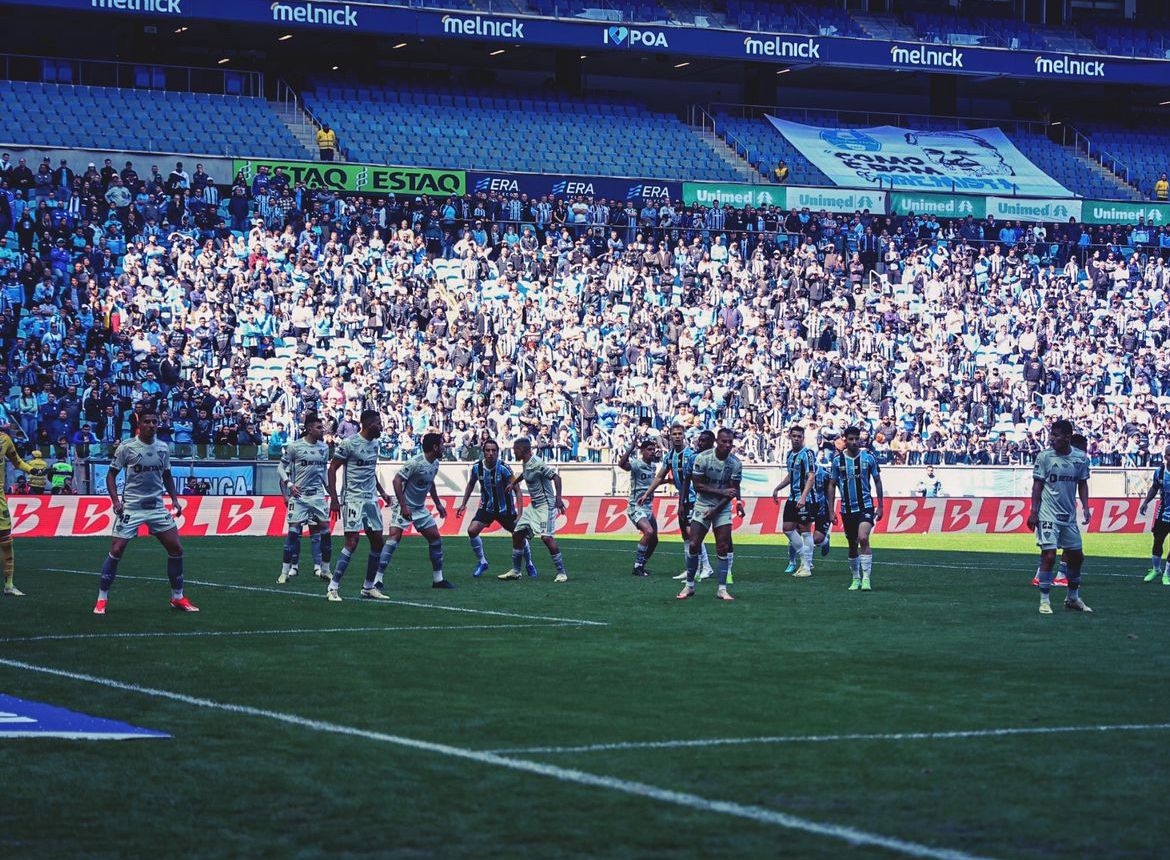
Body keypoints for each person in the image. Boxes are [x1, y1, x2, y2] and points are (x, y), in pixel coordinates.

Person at [93, 407, 197, 614]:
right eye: (147, 421)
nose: (151, 425)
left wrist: (175, 500)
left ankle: (177, 597)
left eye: (154, 422)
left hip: (157, 507)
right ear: (139, 424)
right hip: (132, 507)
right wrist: (115, 501)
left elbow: (167, 475)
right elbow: (111, 475)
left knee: (176, 549)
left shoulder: (163, 448)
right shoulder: (127, 447)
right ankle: (101, 599)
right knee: (116, 551)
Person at [326, 409, 394, 602]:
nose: (381, 426)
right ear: (368, 424)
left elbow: (370, 469)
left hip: (371, 498)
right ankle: (333, 587)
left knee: (378, 542)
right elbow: (332, 469)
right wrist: (334, 498)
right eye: (378, 423)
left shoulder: (375, 444)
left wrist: (381, 492)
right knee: (352, 542)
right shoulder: (349, 443)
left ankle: (368, 587)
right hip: (353, 498)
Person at [1026, 419, 1092, 615]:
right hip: (1047, 514)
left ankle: (1072, 598)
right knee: (1050, 555)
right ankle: (1044, 601)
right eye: (1051, 434)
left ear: (1067, 437)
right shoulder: (1045, 457)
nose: (1052, 438)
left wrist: (1086, 507)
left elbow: (1083, 483)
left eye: (1056, 435)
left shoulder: (1081, 458)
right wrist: (1034, 511)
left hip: (1068, 516)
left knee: (1077, 557)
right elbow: (1037, 485)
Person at [377, 431, 454, 591]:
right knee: (393, 538)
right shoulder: (415, 462)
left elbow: (430, 483)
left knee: (435, 539)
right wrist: (404, 506)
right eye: (441, 445)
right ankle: (377, 579)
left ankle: (438, 580)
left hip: (419, 508)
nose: (443, 448)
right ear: (434, 447)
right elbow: (396, 480)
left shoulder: (435, 463)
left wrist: (438, 504)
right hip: (403, 506)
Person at [454, 438, 537, 579]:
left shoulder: (504, 468)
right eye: (487, 450)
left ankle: (529, 563)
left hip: (506, 510)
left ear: (498, 452)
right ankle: (482, 562)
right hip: (487, 508)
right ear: (483, 452)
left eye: (494, 450)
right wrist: (463, 504)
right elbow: (470, 484)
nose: (491, 453)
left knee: (519, 536)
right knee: (472, 530)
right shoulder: (477, 467)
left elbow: (517, 490)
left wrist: (519, 514)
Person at [677, 427, 743, 601]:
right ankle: (689, 585)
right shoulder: (702, 458)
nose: (728, 445)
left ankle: (722, 589)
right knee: (693, 544)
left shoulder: (735, 463)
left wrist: (716, 509)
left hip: (722, 508)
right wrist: (721, 492)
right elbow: (698, 486)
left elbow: (732, 492)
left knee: (722, 546)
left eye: (730, 442)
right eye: (724, 441)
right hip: (702, 503)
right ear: (717, 442)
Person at [644, 424, 713, 582]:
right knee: (685, 535)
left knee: (692, 533)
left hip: (693, 499)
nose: (677, 436)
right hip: (682, 499)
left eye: (679, 433)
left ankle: (706, 567)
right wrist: (648, 492)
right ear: (670, 436)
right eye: (674, 434)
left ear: (684, 435)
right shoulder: (669, 456)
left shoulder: (691, 455)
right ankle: (691, 568)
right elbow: (660, 476)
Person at [500, 437, 568, 583]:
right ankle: (516, 571)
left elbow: (556, 478)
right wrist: (513, 484)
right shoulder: (526, 463)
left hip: (546, 506)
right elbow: (525, 474)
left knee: (547, 538)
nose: (513, 452)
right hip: (534, 506)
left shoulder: (537, 463)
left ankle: (562, 573)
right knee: (517, 534)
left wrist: (558, 499)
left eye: (515, 449)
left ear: (522, 450)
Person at [277, 413, 333, 585]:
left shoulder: (324, 448)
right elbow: (280, 467)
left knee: (326, 533)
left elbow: (323, 472)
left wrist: (330, 492)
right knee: (293, 534)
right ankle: (285, 572)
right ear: (309, 429)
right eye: (318, 427)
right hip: (299, 496)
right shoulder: (295, 447)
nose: (322, 430)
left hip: (317, 495)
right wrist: (289, 484)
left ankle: (325, 569)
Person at [827, 426, 884, 592]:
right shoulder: (838, 461)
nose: (853, 442)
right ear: (845, 439)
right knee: (852, 545)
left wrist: (880, 506)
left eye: (856, 439)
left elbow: (877, 481)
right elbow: (832, 485)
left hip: (865, 506)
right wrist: (831, 510)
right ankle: (855, 578)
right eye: (850, 439)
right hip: (846, 509)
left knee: (863, 537)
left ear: (860, 439)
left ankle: (866, 578)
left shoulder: (868, 458)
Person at [771, 425, 820, 578]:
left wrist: (804, 496)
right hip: (792, 497)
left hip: (805, 497)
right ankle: (806, 561)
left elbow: (811, 476)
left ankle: (806, 566)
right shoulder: (789, 455)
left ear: (803, 438)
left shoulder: (808, 454)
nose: (797, 438)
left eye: (800, 436)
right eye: (794, 436)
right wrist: (777, 488)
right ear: (790, 437)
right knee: (787, 528)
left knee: (805, 530)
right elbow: (791, 476)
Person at [620, 436, 661, 577]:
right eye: (649, 449)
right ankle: (637, 566)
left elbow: (654, 483)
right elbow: (621, 464)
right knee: (648, 532)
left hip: (648, 507)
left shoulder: (653, 467)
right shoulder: (637, 464)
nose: (652, 452)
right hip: (635, 507)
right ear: (642, 451)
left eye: (653, 449)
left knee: (654, 540)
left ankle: (641, 565)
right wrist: (631, 448)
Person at [0, 429, 32, 596]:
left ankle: (9, 585)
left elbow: (17, 461)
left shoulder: (5, 440)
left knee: (6, 541)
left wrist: (31, 470)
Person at [1138, 443, 1170, 586]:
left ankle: (1167, 574)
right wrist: (1145, 502)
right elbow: (1154, 488)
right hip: (1163, 513)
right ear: (1166, 457)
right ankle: (1156, 569)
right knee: (1158, 541)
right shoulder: (1160, 472)